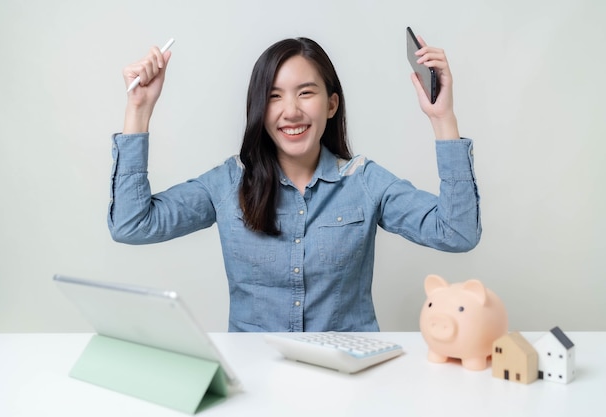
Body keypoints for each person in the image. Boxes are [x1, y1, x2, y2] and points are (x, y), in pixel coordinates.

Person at [109, 36, 481, 332]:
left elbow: (457, 233)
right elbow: (132, 225)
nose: (291, 111)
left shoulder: (364, 181)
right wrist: (138, 109)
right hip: (258, 378)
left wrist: (442, 118)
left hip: (348, 378)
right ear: (259, 109)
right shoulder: (227, 182)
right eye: (274, 96)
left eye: (306, 92)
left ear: (331, 104)